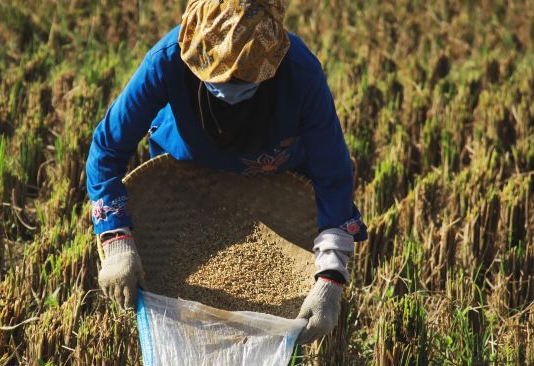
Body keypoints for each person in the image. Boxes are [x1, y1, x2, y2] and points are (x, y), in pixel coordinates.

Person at [86, 0, 367, 344]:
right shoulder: (169, 59)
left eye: (245, 78)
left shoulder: (298, 73)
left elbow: (332, 173)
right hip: (187, 175)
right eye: (219, 76)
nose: (231, 87)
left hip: (276, 176)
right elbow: (107, 149)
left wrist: (330, 277)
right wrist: (117, 240)